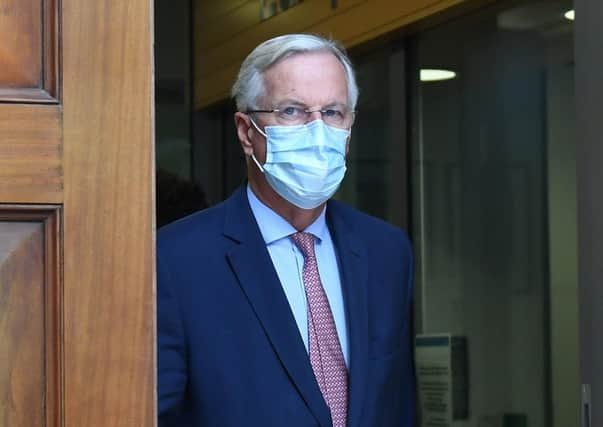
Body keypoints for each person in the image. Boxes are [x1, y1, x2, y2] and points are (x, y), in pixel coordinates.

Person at [157, 33, 416, 427]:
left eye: (332, 113)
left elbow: (395, 405)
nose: (317, 132)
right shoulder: (176, 259)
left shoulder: (386, 251)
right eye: (293, 111)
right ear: (247, 132)